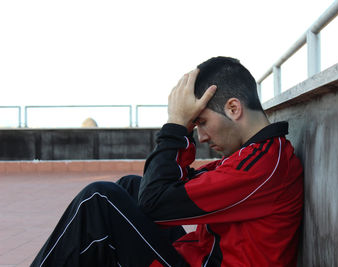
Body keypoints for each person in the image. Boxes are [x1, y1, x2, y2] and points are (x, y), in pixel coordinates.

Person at [31, 56, 303, 267]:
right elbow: (168, 190)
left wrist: (176, 125)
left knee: (99, 200)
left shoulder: (261, 165)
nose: (203, 136)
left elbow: (156, 203)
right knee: (129, 188)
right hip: (198, 257)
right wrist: (181, 130)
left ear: (233, 108)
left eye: (202, 122)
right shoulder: (256, 156)